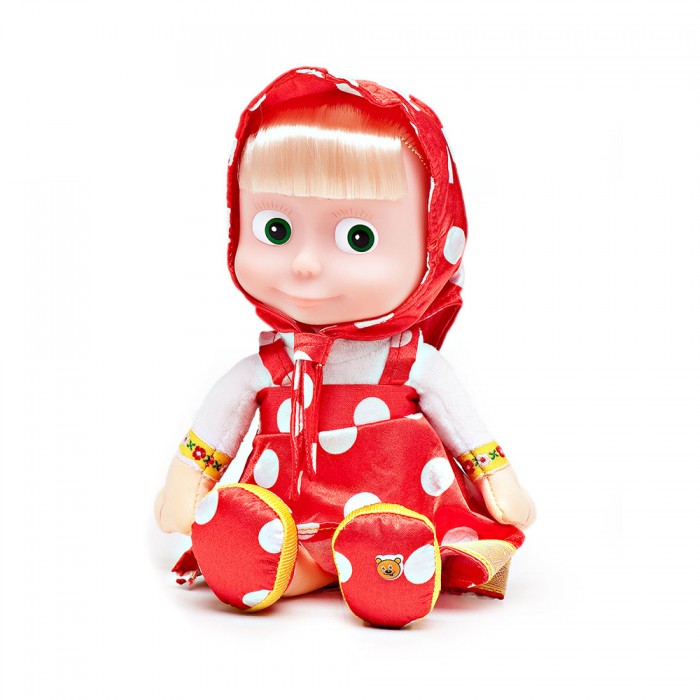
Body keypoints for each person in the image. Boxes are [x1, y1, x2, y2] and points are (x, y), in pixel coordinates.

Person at [154, 67, 535, 628]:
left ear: (434, 246)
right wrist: (187, 481)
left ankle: (388, 565)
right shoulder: (271, 364)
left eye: (359, 237)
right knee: (280, 539)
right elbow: (216, 426)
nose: (305, 264)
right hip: (290, 510)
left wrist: (496, 479)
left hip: (398, 502)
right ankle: (264, 558)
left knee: (391, 532)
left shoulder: (411, 363)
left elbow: (466, 429)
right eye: (276, 230)